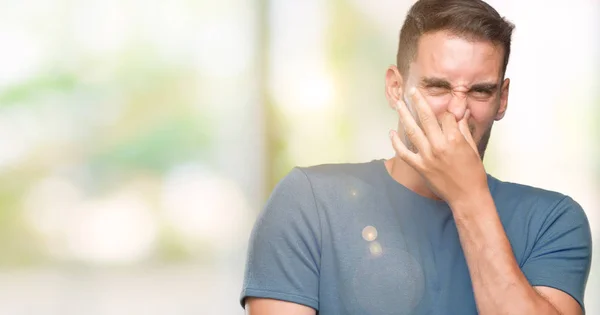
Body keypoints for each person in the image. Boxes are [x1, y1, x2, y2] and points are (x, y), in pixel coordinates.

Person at [240, 0, 593, 314]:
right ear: (396, 87)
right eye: (438, 86)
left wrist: (468, 196)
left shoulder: (553, 220)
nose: (457, 110)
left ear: (502, 99)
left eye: (481, 91)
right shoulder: (308, 202)